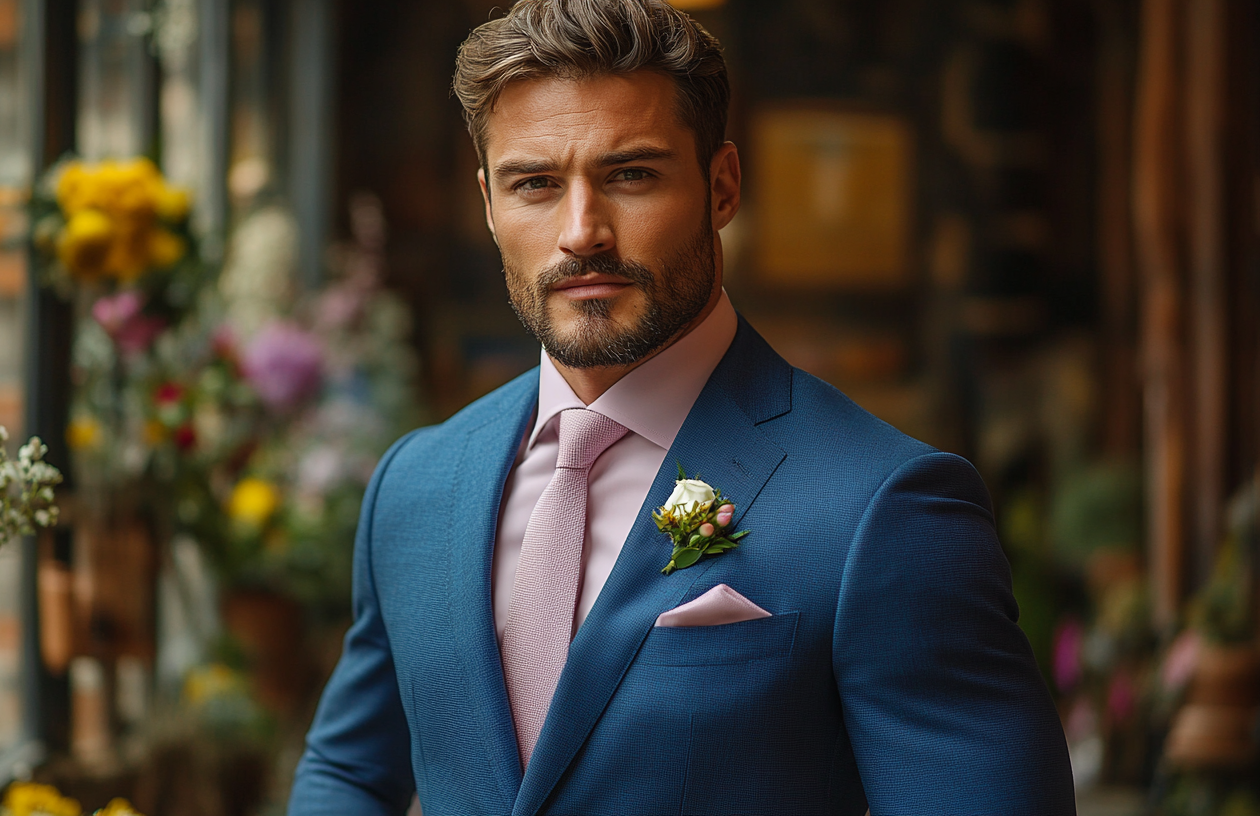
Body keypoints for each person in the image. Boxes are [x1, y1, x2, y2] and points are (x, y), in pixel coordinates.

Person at [288, 1, 1076, 813]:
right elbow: (347, 773)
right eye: (536, 184)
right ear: (489, 204)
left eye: (631, 174)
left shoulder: (888, 507)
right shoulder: (414, 489)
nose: (581, 231)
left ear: (722, 185)